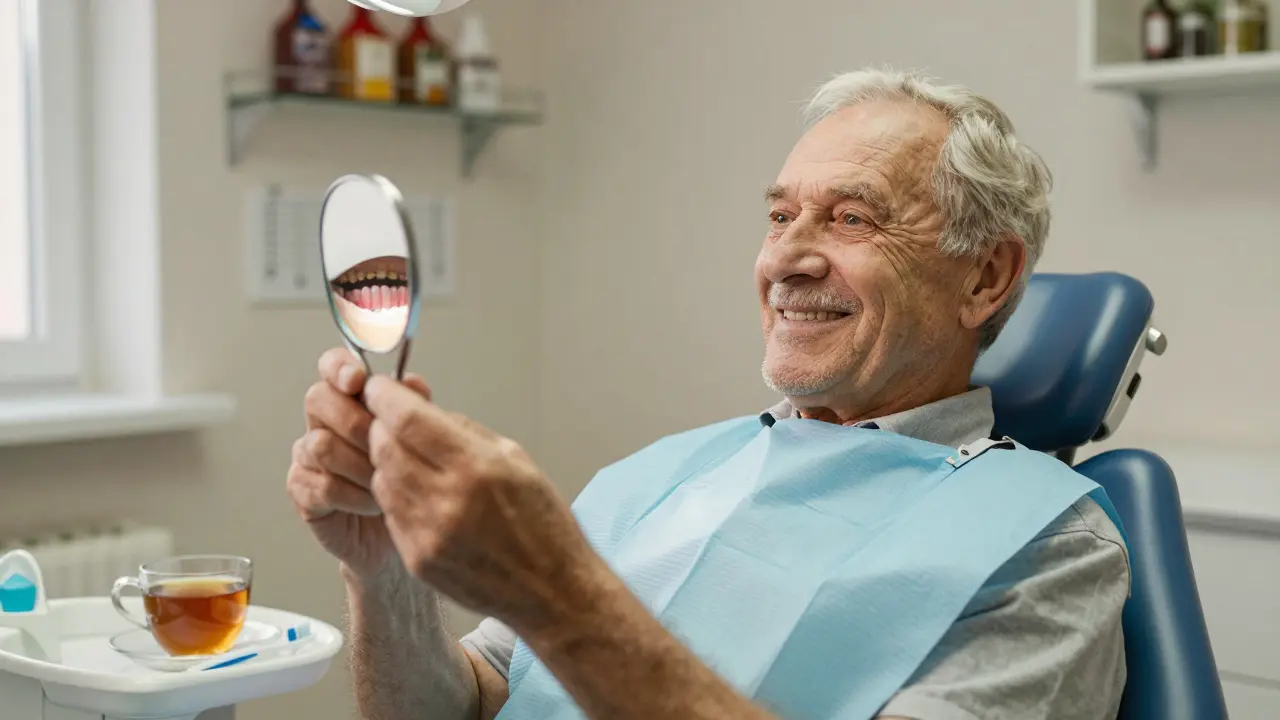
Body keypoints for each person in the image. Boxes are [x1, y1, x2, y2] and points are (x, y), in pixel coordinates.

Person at [287, 68, 1129, 720]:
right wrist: (382, 569)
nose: (786, 259)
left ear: (986, 276)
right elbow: (470, 700)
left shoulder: (1053, 554)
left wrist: (556, 591)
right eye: (779, 216)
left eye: (851, 219)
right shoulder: (666, 470)